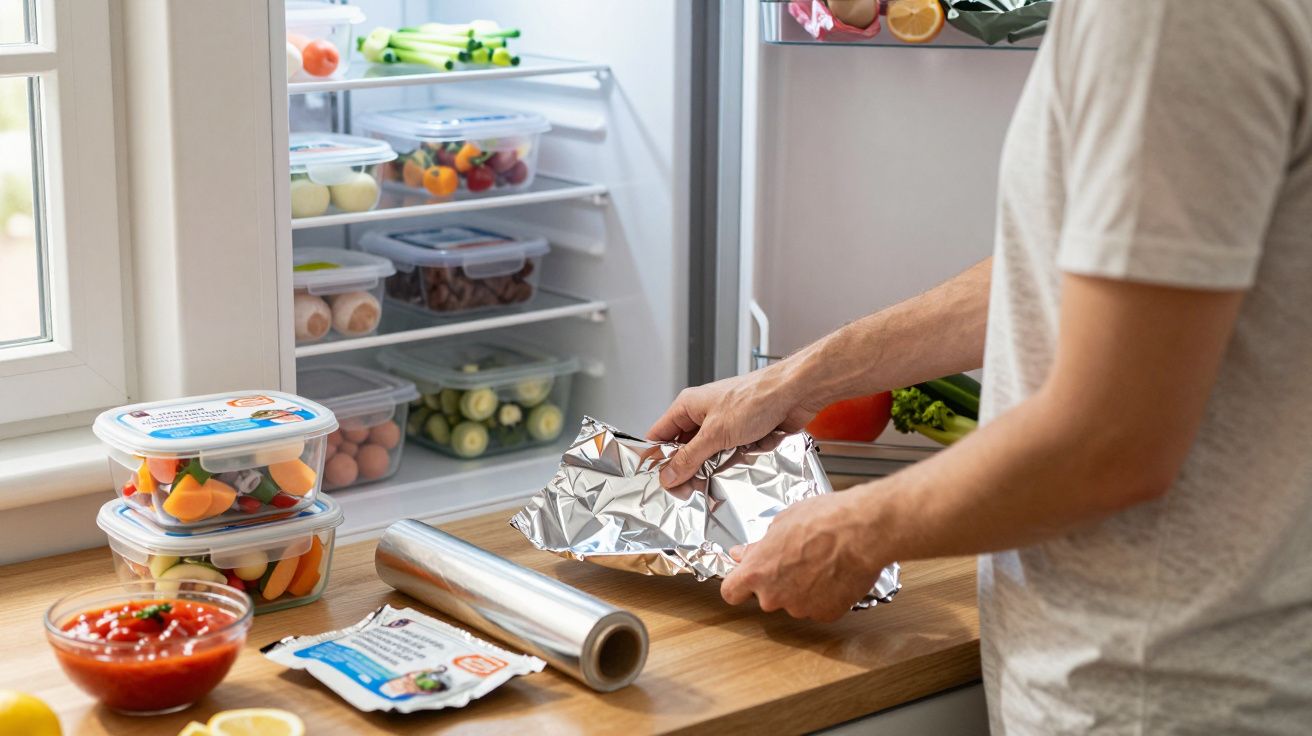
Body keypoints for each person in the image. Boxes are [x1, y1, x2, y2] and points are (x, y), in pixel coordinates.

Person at [649, 0, 1312, 731]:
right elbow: (1067, 266)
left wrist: (855, 531)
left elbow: (1114, 440)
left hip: (1169, 687)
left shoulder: (1164, 18)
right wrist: (798, 378)